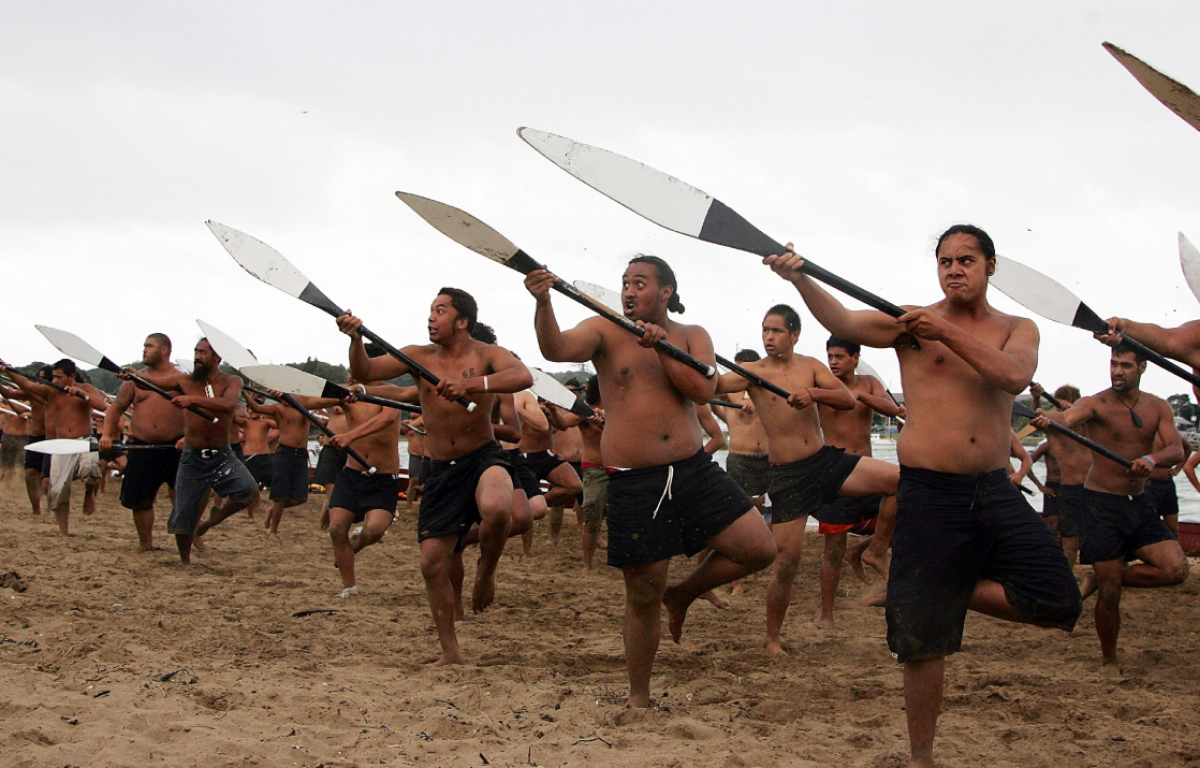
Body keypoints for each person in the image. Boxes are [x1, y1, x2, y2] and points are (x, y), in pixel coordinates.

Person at [766, 224, 1081, 768]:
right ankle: (922, 759)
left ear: (989, 267)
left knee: (1057, 600)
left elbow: (1012, 375)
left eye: (966, 260)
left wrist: (945, 331)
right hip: (930, 490)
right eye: (945, 261)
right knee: (921, 641)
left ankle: (944, 588)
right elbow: (844, 322)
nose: (954, 269)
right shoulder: (909, 323)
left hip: (991, 488)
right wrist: (802, 280)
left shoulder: (1014, 327)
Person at [525, 254, 776, 707]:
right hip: (634, 480)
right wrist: (543, 302)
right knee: (642, 593)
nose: (628, 290)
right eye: (624, 282)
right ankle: (639, 698)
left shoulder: (691, 335)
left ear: (665, 293)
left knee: (759, 547)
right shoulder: (603, 330)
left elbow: (702, 389)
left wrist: (660, 345)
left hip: (692, 470)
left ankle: (683, 594)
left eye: (639, 283)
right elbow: (555, 349)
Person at [337, 288, 532, 666]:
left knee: (497, 507)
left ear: (462, 321)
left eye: (440, 311)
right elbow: (364, 371)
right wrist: (356, 339)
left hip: (483, 456)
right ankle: (451, 653)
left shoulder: (485, 354)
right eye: (430, 310)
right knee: (431, 564)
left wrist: (471, 384)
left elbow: (521, 375)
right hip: (441, 469)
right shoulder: (418, 356)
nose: (431, 317)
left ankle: (486, 573)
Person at [716, 308, 898, 646]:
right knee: (786, 563)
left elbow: (845, 398)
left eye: (776, 331)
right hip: (787, 475)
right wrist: (689, 358)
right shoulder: (751, 371)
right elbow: (712, 385)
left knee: (900, 479)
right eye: (765, 330)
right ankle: (772, 638)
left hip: (824, 461)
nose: (769, 337)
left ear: (794, 334)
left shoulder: (811, 366)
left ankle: (876, 550)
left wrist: (813, 394)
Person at [1032, 347, 1189, 668]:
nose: (1117, 371)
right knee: (1112, 591)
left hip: (1139, 504)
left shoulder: (1158, 407)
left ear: (1143, 367)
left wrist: (1151, 459)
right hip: (1100, 505)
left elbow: (1175, 449)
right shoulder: (1096, 403)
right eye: (1113, 364)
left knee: (1175, 570)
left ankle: (1102, 577)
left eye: (1126, 366)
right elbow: (1067, 418)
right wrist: (1048, 418)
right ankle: (1109, 659)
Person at [122, 338, 259, 564]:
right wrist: (132, 376)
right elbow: (150, 383)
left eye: (204, 352)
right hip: (192, 456)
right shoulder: (183, 380)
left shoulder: (231, 381)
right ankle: (185, 560)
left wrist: (191, 400)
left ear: (217, 358)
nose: (198, 356)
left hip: (222, 454)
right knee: (184, 512)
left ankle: (210, 522)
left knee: (249, 491)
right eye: (196, 351)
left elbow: (227, 404)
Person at [815, 335, 904, 622]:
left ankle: (871, 550)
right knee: (833, 548)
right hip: (836, 473)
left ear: (855, 357)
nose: (833, 362)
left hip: (867, 470)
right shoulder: (823, 384)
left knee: (905, 512)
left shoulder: (868, 384)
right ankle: (827, 613)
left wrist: (862, 397)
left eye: (839, 356)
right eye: (830, 356)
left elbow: (895, 410)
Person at [323, 366, 406, 598]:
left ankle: (356, 545)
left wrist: (350, 436)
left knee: (374, 531)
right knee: (337, 527)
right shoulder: (346, 395)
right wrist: (286, 395)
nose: (352, 374)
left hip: (383, 477)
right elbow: (311, 399)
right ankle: (349, 587)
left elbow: (387, 418)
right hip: (352, 474)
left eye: (357, 368)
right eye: (350, 369)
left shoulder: (391, 393)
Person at [99, 333, 187, 551]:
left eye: (150, 346)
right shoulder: (134, 382)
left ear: (165, 350)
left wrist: (188, 437)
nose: (145, 349)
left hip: (175, 447)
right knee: (139, 500)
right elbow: (116, 408)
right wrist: (107, 435)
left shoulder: (181, 378)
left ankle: (189, 539)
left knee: (184, 498)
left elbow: (197, 410)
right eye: (144, 346)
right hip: (142, 446)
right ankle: (145, 543)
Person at [1, 359, 109, 534]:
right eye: (54, 377)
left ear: (71, 376)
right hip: (61, 443)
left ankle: (90, 495)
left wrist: (81, 393)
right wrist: (7, 370)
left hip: (85, 440)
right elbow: (27, 384)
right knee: (57, 490)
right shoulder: (51, 391)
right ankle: (64, 531)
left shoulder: (86, 388)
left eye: (59, 377)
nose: (56, 381)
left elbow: (101, 405)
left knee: (91, 471)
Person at [243, 388, 344, 538]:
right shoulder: (278, 408)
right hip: (285, 453)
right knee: (280, 496)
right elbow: (257, 408)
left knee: (300, 498)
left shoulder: (305, 404)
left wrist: (343, 397)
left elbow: (330, 404)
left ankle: (272, 510)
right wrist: (244, 391)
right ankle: (273, 531)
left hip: (301, 454)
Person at [1028, 384, 1091, 563]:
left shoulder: (1088, 424)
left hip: (1093, 487)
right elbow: (1035, 417)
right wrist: (1037, 398)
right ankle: (1067, 580)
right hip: (1069, 489)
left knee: (1099, 537)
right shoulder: (1052, 426)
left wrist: (1075, 411)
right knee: (1069, 542)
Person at [1, 369, 50, 515]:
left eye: (43, 378)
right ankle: (36, 510)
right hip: (35, 438)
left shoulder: (54, 395)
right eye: (38, 378)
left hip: (52, 438)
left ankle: (51, 507)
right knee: (29, 474)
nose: (39, 381)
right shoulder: (32, 393)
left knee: (47, 479)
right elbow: (9, 394)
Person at [577, 375, 607, 571]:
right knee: (592, 520)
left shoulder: (618, 409)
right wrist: (553, 412)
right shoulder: (584, 411)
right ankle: (587, 564)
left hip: (621, 468)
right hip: (594, 469)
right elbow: (563, 424)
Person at [1142, 432, 1191, 540]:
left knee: (1172, 527)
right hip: (1149, 485)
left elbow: (1188, 448)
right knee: (1148, 525)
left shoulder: (1169, 434)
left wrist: (1177, 469)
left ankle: (1174, 552)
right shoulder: (1144, 433)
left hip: (1167, 484)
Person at [313, 404, 349, 528]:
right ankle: (331, 523)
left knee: (343, 491)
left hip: (351, 449)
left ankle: (325, 520)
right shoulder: (336, 397)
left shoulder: (365, 398)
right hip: (331, 449)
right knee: (332, 492)